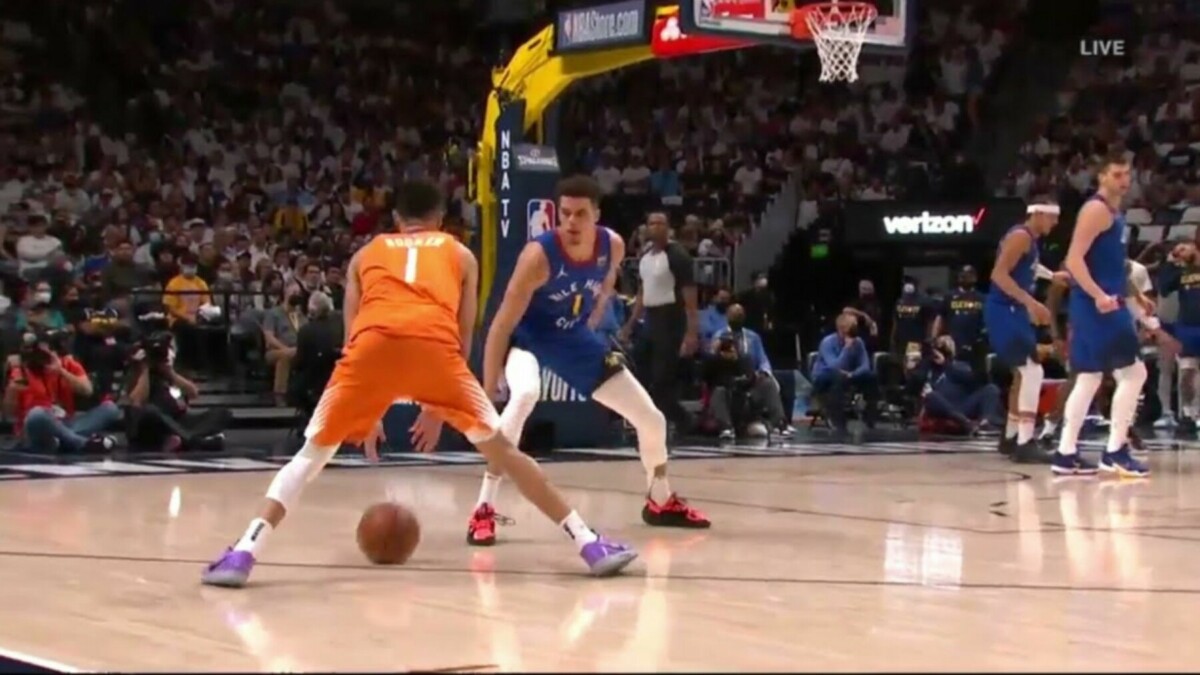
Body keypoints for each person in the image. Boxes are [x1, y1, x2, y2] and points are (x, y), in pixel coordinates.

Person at [202, 180, 636, 588]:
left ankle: (244, 551)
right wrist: (437, 406)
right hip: (436, 351)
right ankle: (589, 543)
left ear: (395, 219)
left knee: (309, 458)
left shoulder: (365, 253)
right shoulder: (461, 254)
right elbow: (462, 338)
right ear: (441, 219)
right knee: (506, 452)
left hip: (370, 349)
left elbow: (353, 337)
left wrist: (368, 413)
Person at [472, 176, 709, 548]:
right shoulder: (537, 257)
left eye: (580, 214)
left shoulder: (611, 245)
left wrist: (597, 312)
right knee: (524, 397)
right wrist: (487, 390)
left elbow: (608, 278)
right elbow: (501, 324)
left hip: (574, 339)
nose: (571, 222)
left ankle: (660, 500)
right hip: (529, 339)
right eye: (564, 213)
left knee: (651, 418)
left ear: (596, 215)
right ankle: (483, 508)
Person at [1055, 153, 1149, 477]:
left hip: (1104, 300)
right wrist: (1098, 296)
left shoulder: (1114, 212)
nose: (1125, 180)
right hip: (1100, 305)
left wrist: (1135, 295)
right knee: (1134, 374)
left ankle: (1065, 453)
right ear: (1102, 178)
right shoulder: (1096, 210)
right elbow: (1073, 259)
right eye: (1118, 174)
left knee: (1090, 376)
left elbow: (1112, 263)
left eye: (1127, 174)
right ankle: (1116, 451)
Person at [984, 199, 1061, 465]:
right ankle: (1025, 442)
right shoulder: (1020, 236)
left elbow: (1028, 267)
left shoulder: (1028, 238)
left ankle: (1011, 437)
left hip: (1012, 309)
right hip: (1005, 309)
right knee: (1033, 370)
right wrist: (1032, 302)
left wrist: (1053, 276)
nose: (1055, 223)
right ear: (1038, 214)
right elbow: (999, 275)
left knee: (1022, 372)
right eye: (1052, 217)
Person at [618, 211, 700, 432]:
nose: (655, 227)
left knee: (662, 377)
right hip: (651, 319)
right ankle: (654, 417)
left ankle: (684, 421)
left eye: (659, 223)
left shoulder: (678, 255)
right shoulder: (646, 257)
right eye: (651, 223)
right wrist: (630, 325)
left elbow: (690, 295)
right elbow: (643, 293)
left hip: (672, 318)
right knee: (640, 369)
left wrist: (692, 332)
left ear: (668, 228)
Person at [1157, 240, 1200, 433]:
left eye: (1184, 248)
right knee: (1187, 373)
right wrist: (1171, 261)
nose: (1181, 253)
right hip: (1188, 327)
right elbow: (1164, 288)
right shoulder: (1181, 273)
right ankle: (1188, 412)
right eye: (1178, 250)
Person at [811, 312, 880, 433]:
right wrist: (846, 349)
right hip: (824, 376)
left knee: (871, 376)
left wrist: (853, 374)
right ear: (840, 329)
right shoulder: (827, 342)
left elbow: (865, 365)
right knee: (838, 377)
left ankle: (870, 418)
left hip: (848, 374)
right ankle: (839, 421)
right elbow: (834, 366)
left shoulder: (858, 342)